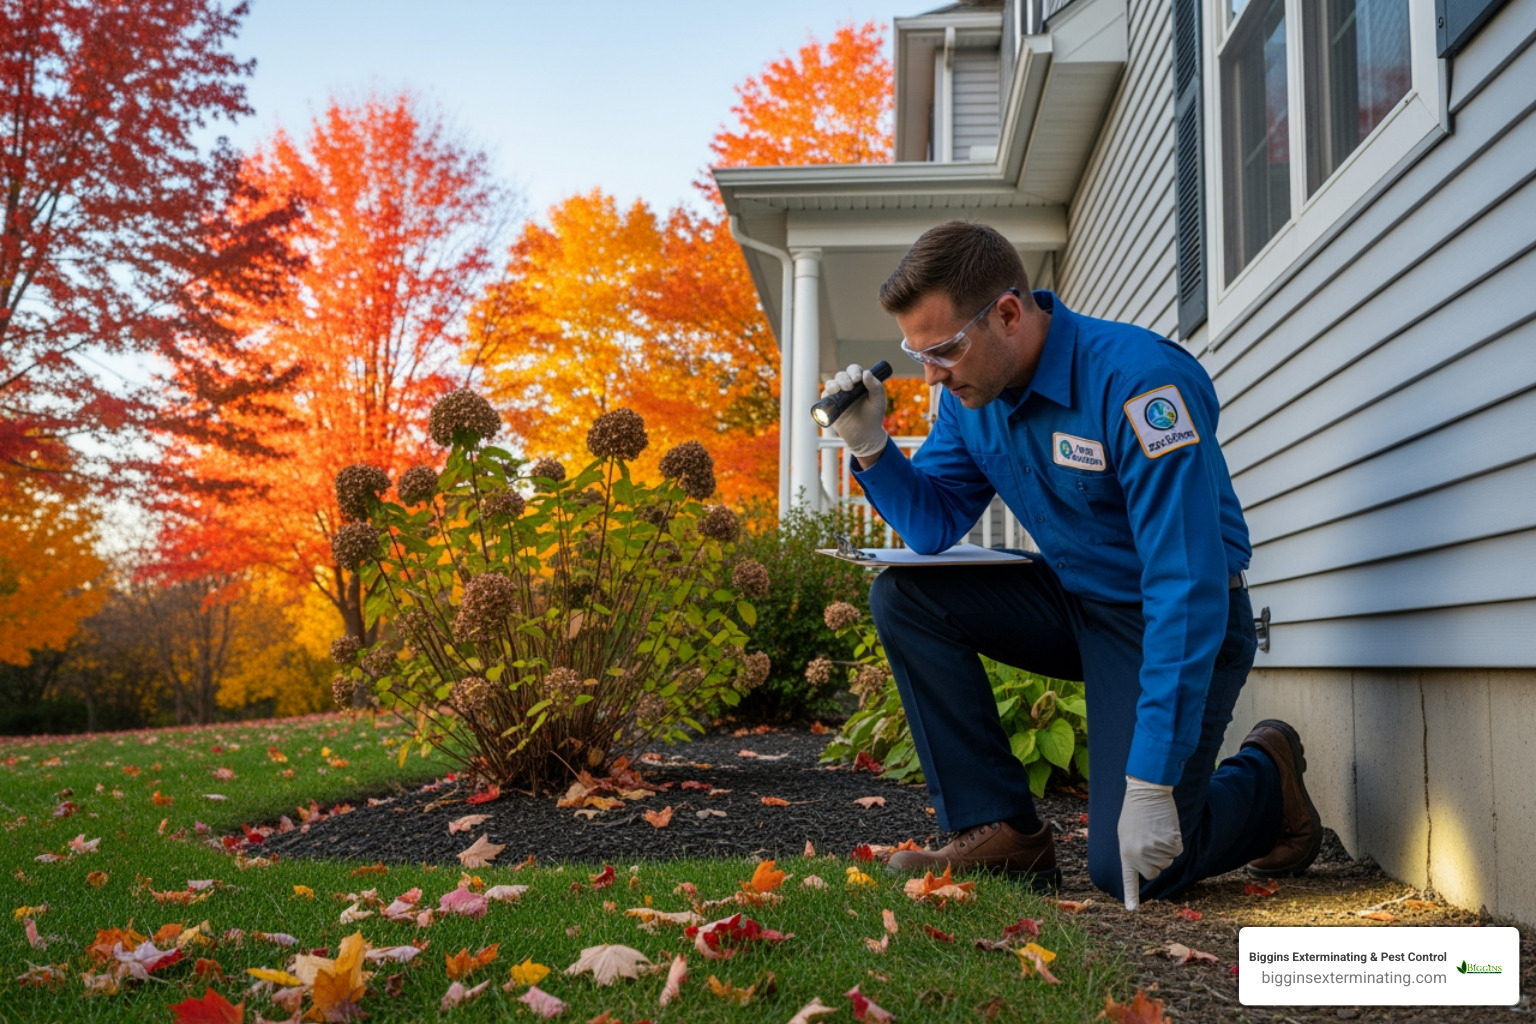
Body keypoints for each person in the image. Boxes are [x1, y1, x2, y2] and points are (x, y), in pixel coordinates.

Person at [818, 220, 1321, 909]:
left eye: (943, 351)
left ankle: (1267, 780)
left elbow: (1187, 583)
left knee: (1135, 870)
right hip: (1080, 602)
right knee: (907, 596)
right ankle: (999, 831)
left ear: (1008, 313)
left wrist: (1148, 783)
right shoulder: (971, 400)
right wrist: (872, 445)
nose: (931, 374)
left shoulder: (1140, 384)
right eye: (916, 353)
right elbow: (932, 525)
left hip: (1175, 617)